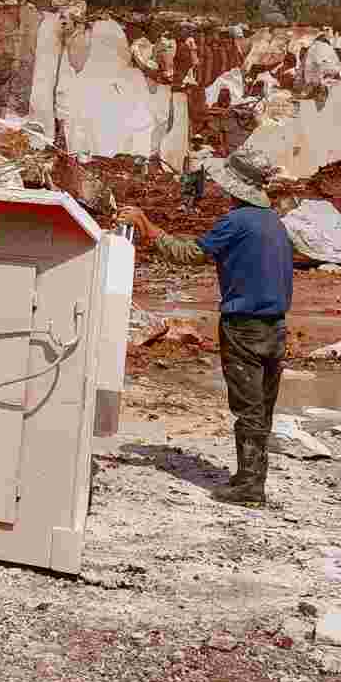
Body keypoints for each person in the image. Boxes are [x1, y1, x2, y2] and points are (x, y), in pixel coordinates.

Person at [116, 147, 295, 507]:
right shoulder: (273, 222)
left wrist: (148, 228)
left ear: (234, 187)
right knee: (262, 408)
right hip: (275, 328)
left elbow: (190, 254)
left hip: (244, 327)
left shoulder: (237, 222)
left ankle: (249, 488)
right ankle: (251, 477)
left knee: (248, 408)